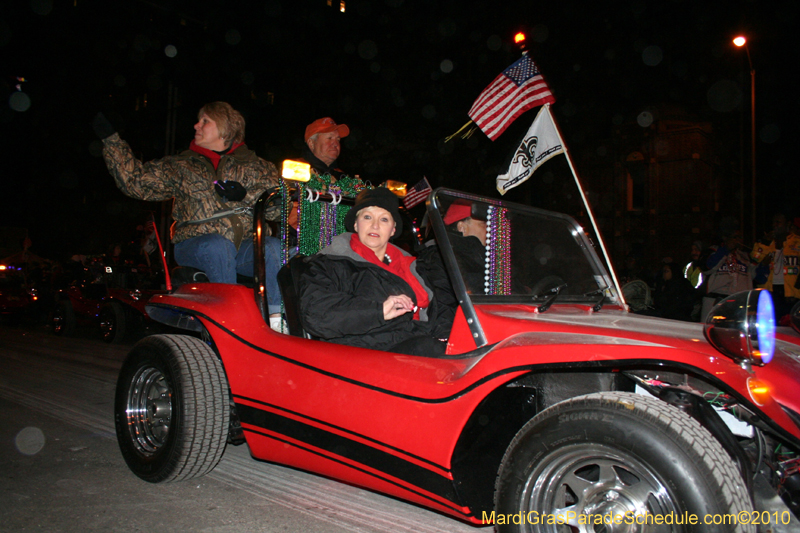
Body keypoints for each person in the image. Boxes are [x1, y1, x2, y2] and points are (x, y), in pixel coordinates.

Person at [93, 102, 286, 330]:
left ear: (226, 128)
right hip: (196, 244)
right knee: (218, 246)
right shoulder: (181, 165)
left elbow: (278, 209)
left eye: (205, 121)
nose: (196, 125)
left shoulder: (257, 167)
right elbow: (135, 182)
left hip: (242, 246)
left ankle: (276, 319)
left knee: (273, 246)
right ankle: (232, 323)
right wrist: (111, 140)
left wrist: (247, 195)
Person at [297, 187, 446, 355]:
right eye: (367, 217)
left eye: (384, 219)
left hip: (415, 343)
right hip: (359, 354)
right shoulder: (330, 263)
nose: (375, 225)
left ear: (393, 229)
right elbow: (316, 314)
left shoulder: (415, 267)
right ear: (356, 224)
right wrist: (378, 310)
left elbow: (444, 307)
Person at [701, 231, 754, 321]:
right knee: (710, 329)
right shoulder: (713, 251)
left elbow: (758, 278)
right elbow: (707, 268)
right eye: (735, 237)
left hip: (738, 301)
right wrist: (725, 249)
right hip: (714, 300)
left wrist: (763, 264)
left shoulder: (745, 256)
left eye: (740, 237)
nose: (737, 240)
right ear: (726, 238)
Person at [442, 201, 487, 294]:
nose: (490, 229)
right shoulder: (449, 259)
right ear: (462, 227)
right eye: (484, 224)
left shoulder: (485, 256)